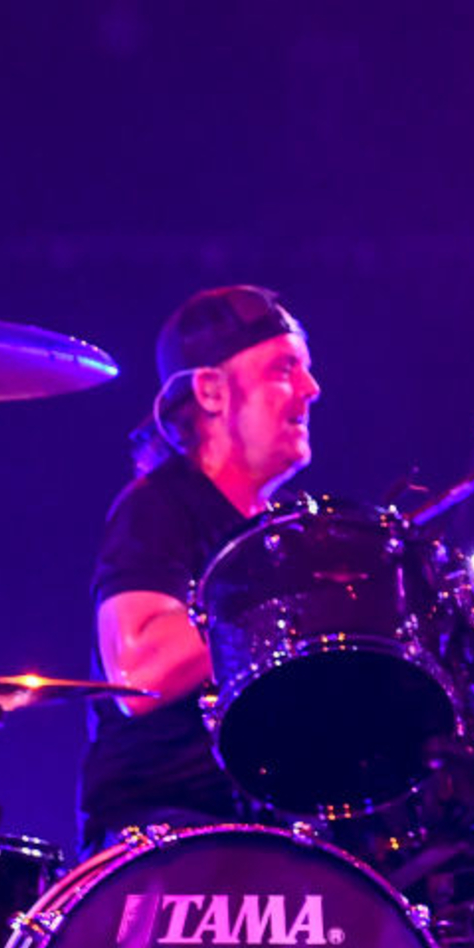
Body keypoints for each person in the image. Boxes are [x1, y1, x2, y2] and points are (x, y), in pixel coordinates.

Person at [80, 285, 320, 850]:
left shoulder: (276, 532)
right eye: (285, 370)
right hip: (163, 850)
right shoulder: (158, 507)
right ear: (211, 391)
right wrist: (278, 599)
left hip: (266, 829)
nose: (311, 390)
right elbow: (138, 676)